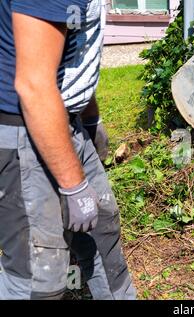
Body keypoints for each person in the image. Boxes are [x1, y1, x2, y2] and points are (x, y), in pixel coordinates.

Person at [0, 0, 136, 299]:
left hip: (62, 119)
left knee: (102, 232)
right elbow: (33, 85)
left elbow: (71, 56)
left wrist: (90, 118)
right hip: (23, 129)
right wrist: (73, 186)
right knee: (39, 274)